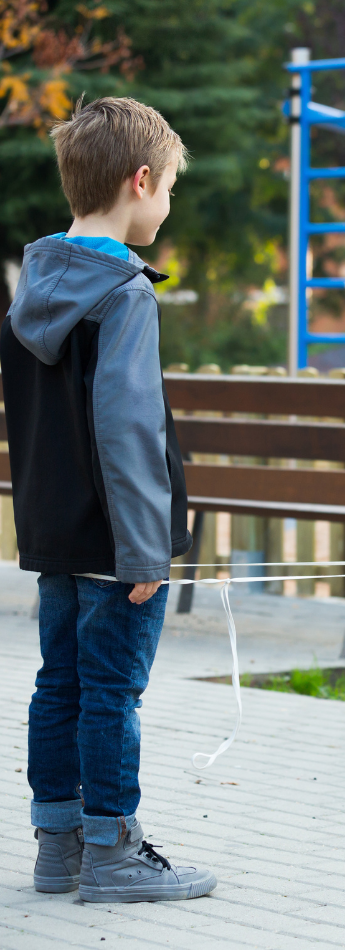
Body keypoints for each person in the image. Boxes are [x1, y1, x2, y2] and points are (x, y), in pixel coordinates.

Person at [2, 97, 216, 901]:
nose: (165, 207)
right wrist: (143, 549)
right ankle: (115, 854)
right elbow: (126, 429)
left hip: (57, 536)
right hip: (119, 542)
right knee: (112, 693)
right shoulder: (123, 292)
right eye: (167, 191)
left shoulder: (34, 287)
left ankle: (57, 848)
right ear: (141, 181)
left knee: (59, 683)